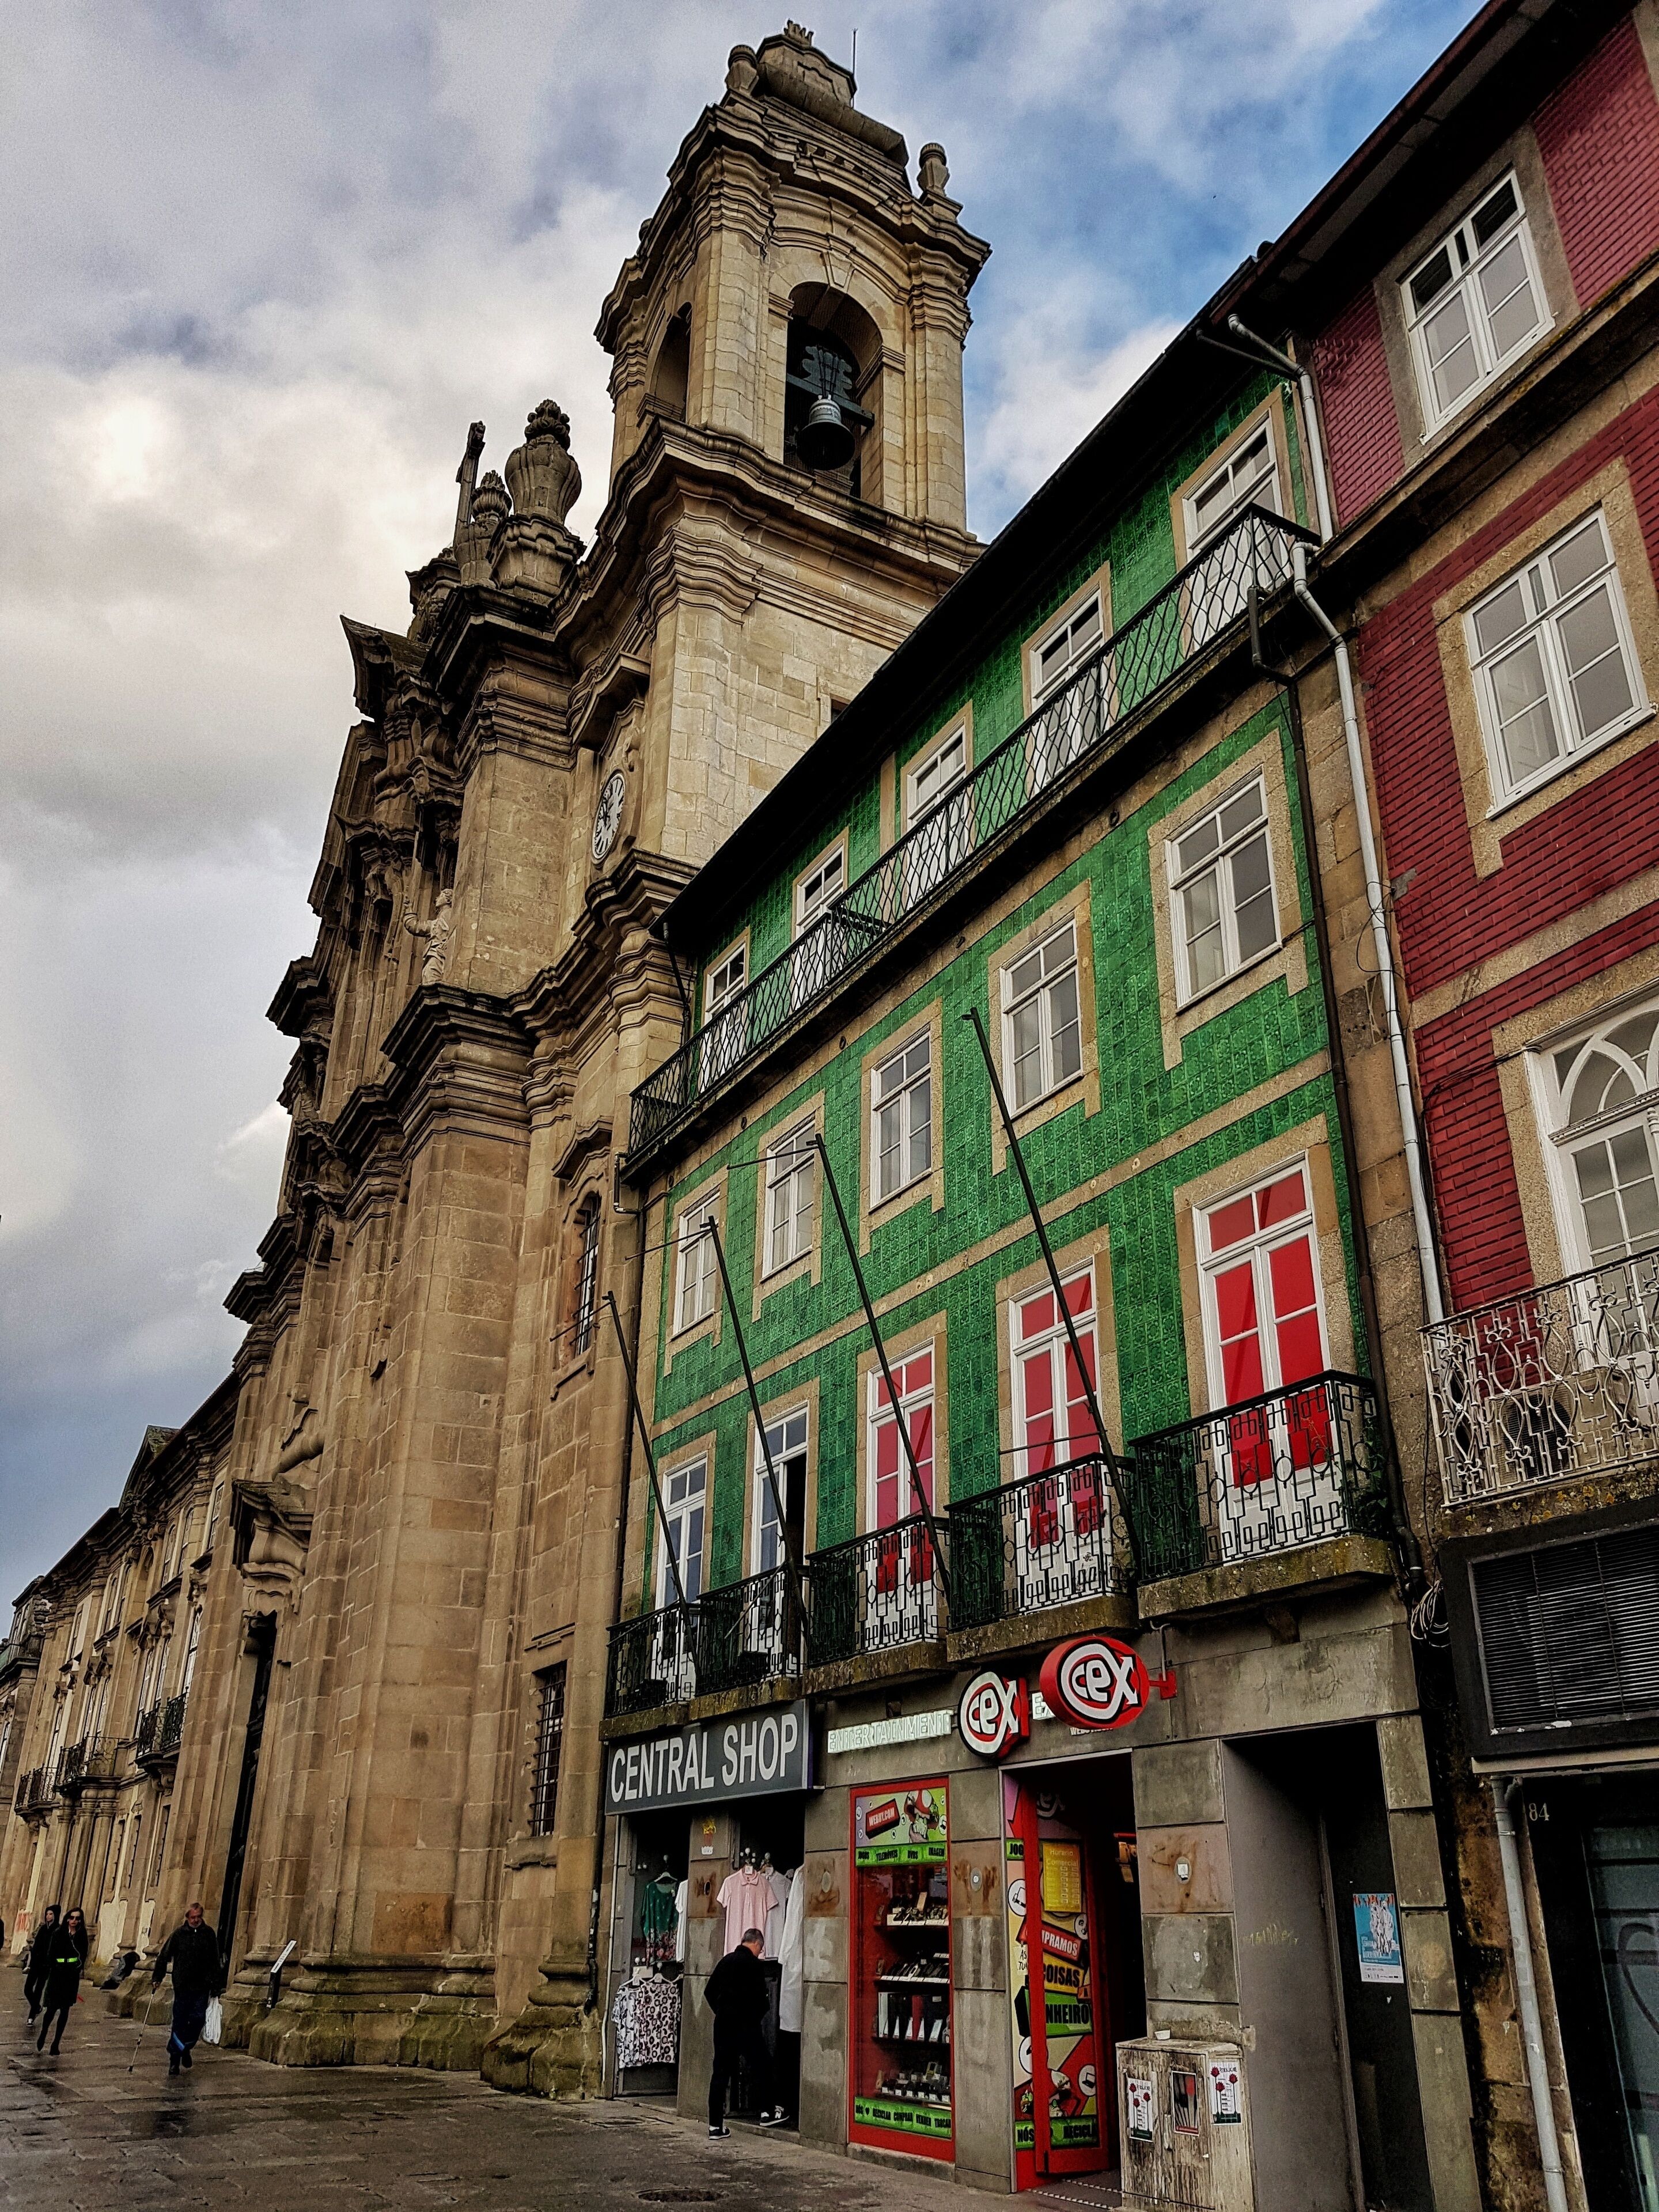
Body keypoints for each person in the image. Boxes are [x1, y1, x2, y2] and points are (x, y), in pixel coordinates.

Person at [704, 1927, 786, 2137]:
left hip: (723, 2024)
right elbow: (762, 2002)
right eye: (761, 1949)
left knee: (720, 2073)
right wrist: (751, 2019)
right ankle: (767, 2112)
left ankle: (715, 2126)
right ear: (757, 1944)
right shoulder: (754, 1966)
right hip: (747, 2026)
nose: (760, 1953)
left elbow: (709, 1991)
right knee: (762, 2066)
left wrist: (722, 2012)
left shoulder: (726, 1962)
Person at [151, 1901, 222, 2075]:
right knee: (180, 2021)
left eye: (199, 1917)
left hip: (202, 1986)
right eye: (193, 1917)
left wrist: (215, 1984)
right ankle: (174, 2059)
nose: (196, 1920)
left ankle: (186, 2047)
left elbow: (215, 1960)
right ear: (187, 1918)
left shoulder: (208, 1934)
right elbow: (164, 1956)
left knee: (198, 2019)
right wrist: (157, 1977)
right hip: (183, 1986)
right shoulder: (179, 1934)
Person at [35, 1906, 89, 2055]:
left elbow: (83, 1954)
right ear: (67, 1918)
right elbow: (51, 1954)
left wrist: (77, 1967)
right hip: (57, 1975)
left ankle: (56, 2043)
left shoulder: (82, 1935)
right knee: (51, 2010)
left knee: (65, 2010)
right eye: (72, 1918)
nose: (74, 1921)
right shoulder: (59, 1933)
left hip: (71, 1977)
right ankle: (43, 2033)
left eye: (77, 1919)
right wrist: (57, 1966)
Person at [22, 1904, 60, 2021]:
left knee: (39, 1989)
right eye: (47, 1914)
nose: (48, 1916)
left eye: (51, 1914)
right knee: (28, 1989)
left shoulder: (58, 1930)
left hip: (47, 1965)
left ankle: (31, 2017)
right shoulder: (42, 1929)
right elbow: (36, 1946)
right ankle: (37, 2007)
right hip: (36, 1964)